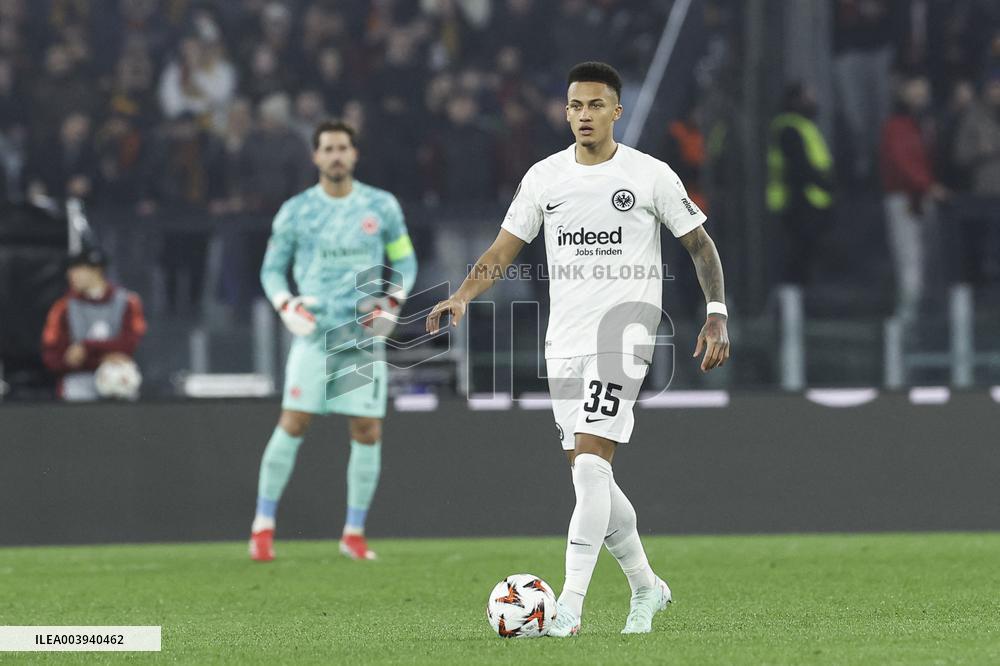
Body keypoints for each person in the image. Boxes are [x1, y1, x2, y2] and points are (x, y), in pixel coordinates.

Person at [426, 62, 729, 636]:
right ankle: (646, 587)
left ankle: (569, 607)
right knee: (593, 480)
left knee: (591, 463)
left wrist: (716, 313)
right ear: (566, 112)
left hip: (626, 333)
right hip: (564, 341)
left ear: (616, 111)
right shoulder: (544, 178)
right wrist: (463, 296)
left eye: (596, 105)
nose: (584, 115)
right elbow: (503, 248)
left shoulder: (650, 175)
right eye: (575, 106)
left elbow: (699, 244)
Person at [249, 120, 418, 563]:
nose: (336, 155)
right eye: (328, 148)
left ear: (354, 154)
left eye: (343, 147)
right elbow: (270, 270)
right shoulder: (296, 211)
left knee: (366, 429)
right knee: (294, 421)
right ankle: (263, 527)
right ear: (316, 157)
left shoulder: (380, 206)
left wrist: (391, 303)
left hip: (360, 334)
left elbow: (406, 259)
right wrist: (287, 305)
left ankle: (354, 534)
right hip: (315, 332)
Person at [879, 74, 947, 323]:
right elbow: (901, 162)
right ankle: (906, 325)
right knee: (911, 266)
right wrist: (927, 185)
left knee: (927, 266)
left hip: (922, 198)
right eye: (916, 91)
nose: (922, 97)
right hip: (905, 199)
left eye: (924, 92)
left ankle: (923, 322)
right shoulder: (897, 127)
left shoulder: (924, 125)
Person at [41, 247, 147, 401]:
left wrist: (86, 348)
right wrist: (99, 356)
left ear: (96, 271)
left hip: (117, 374)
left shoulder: (128, 302)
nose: (71, 275)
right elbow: (52, 356)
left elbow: (129, 345)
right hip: (80, 378)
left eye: (77, 269)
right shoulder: (63, 307)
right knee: (75, 392)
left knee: (124, 381)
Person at [766, 83, 835, 285]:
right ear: (794, 100)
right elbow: (799, 167)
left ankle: (796, 304)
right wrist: (824, 184)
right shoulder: (789, 128)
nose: (813, 101)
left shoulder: (802, 126)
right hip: (797, 202)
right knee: (795, 257)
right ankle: (791, 309)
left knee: (804, 256)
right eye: (807, 96)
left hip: (808, 201)